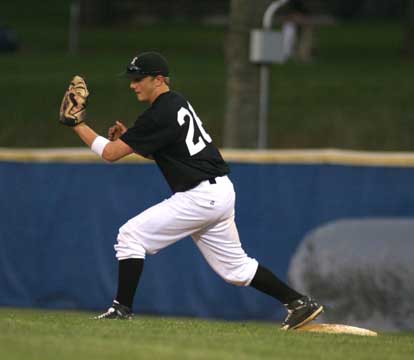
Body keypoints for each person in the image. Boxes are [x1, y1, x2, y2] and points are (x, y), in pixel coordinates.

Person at [68, 51, 323, 330]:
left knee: (130, 236)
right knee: (236, 268)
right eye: (132, 78)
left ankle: (121, 310)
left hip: (201, 195)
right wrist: (136, 139)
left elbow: (110, 153)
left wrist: (76, 124)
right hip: (219, 191)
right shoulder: (177, 103)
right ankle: (299, 303)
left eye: (139, 78)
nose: (133, 84)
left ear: (159, 79)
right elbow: (173, 153)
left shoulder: (158, 114)